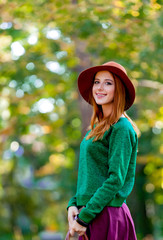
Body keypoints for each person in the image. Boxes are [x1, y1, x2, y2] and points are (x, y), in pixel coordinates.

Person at [66, 61, 139, 240]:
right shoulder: (96, 128)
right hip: (90, 213)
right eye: (97, 82)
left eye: (108, 83)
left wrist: (83, 219)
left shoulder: (121, 128)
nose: (99, 87)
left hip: (107, 216)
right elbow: (90, 174)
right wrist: (73, 204)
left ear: (119, 89)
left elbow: (115, 180)